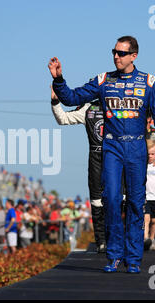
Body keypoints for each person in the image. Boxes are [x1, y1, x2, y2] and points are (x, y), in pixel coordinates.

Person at [49, 35, 155, 273]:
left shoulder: (150, 82)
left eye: (121, 53)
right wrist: (59, 79)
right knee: (112, 199)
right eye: (114, 52)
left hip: (136, 147)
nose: (116, 56)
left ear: (133, 56)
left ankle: (133, 259)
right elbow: (72, 97)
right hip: (112, 147)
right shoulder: (103, 80)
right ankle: (114, 255)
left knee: (136, 203)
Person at [51, 87, 106, 252]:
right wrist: (55, 101)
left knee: (119, 200)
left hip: (116, 159)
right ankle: (101, 241)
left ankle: (119, 238)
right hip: (96, 158)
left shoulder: (119, 105)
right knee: (96, 201)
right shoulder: (88, 109)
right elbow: (63, 119)